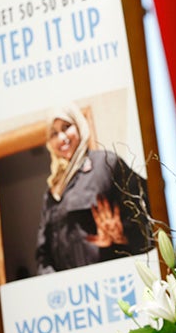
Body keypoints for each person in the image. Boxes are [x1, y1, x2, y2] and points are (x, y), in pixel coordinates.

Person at [36, 102, 152, 274]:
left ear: (80, 126)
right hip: (73, 292)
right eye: (54, 133)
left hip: (111, 281)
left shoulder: (106, 165)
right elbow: (42, 253)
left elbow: (150, 215)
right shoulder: (53, 191)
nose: (61, 138)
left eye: (66, 127)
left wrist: (123, 234)